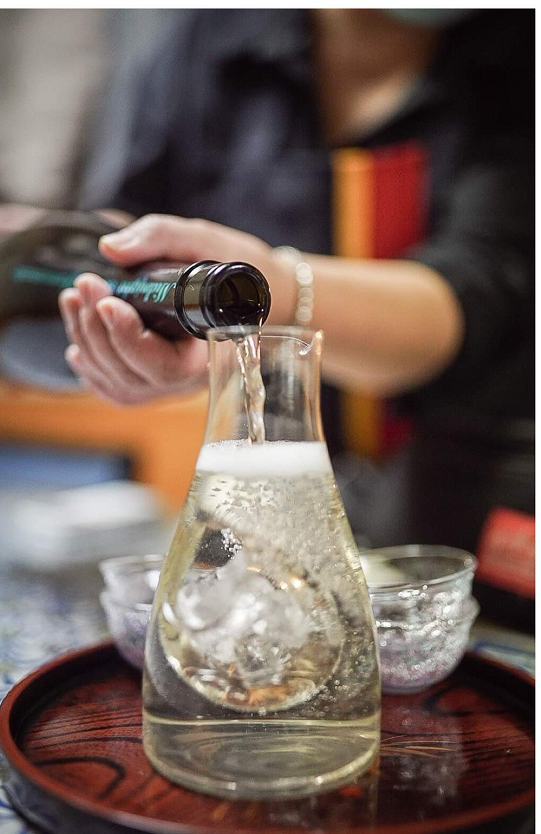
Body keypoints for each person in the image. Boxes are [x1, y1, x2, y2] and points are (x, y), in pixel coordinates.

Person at [59, 9, 534, 553]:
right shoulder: (213, 36)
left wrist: (282, 292)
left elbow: (477, 293)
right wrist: (126, 313)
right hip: (273, 506)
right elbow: (128, 223)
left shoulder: (520, 56)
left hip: (471, 504)